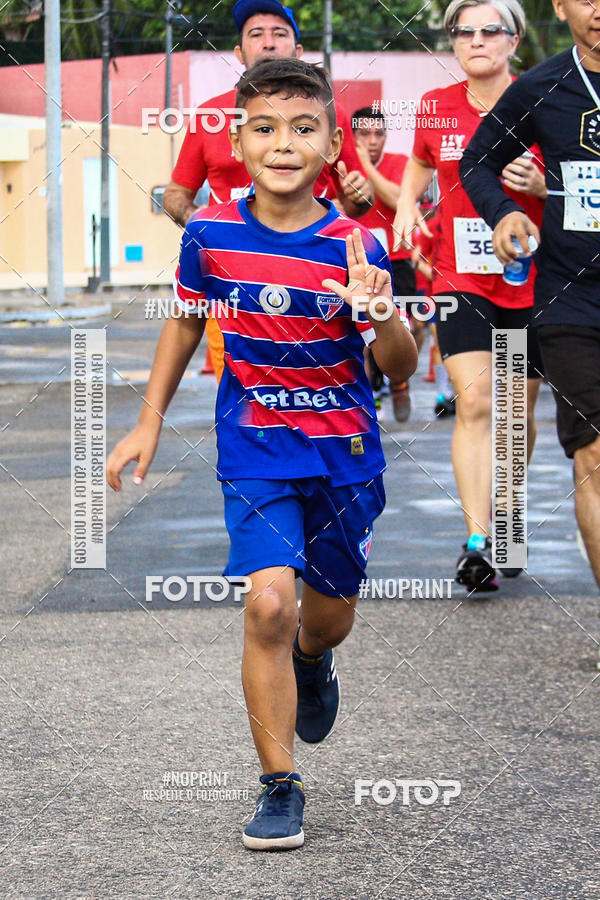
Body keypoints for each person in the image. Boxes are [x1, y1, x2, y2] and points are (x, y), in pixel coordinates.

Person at [107, 58, 417, 849]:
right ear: (239, 144)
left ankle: (314, 660)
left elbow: (402, 365)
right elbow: (185, 321)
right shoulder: (209, 235)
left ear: (332, 146)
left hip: (346, 456)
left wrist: (382, 313)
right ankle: (280, 786)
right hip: (256, 447)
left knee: (327, 619)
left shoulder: (359, 243)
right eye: (265, 128)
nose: (283, 143)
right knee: (269, 605)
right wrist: (147, 423)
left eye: (304, 128)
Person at [393, 0, 547, 591]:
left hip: (530, 280)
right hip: (459, 277)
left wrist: (545, 185)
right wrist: (407, 201)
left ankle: (508, 513)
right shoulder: (436, 106)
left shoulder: (543, 98)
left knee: (516, 414)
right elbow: (420, 162)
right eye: (464, 32)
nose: (476, 40)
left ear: (514, 40)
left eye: (490, 30)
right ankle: (479, 542)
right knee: (477, 402)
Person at [459, 0, 600, 604]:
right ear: (559, 6)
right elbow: (477, 161)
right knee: (593, 450)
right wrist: (504, 212)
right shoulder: (543, 87)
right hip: (572, 299)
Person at [163, 0, 373, 383]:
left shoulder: (328, 112)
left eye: (279, 34)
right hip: (232, 283)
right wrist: (211, 230)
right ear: (239, 52)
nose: (269, 43)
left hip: (316, 278)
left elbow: (355, 198)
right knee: (242, 386)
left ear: (298, 50)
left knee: (323, 376)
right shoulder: (209, 117)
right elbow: (175, 194)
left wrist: (361, 194)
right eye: (256, 35)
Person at [351, 106, 417, 422]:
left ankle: (400, 379)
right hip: (356, 263)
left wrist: (366, 166)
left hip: (396, 261)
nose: (373, 140)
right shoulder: (340, 165)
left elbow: (398, 199)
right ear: (353, 137)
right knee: (362, 333)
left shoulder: (400, 163)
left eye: (378, 134)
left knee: (408, 325)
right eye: (365, 134)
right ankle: (370, 395)